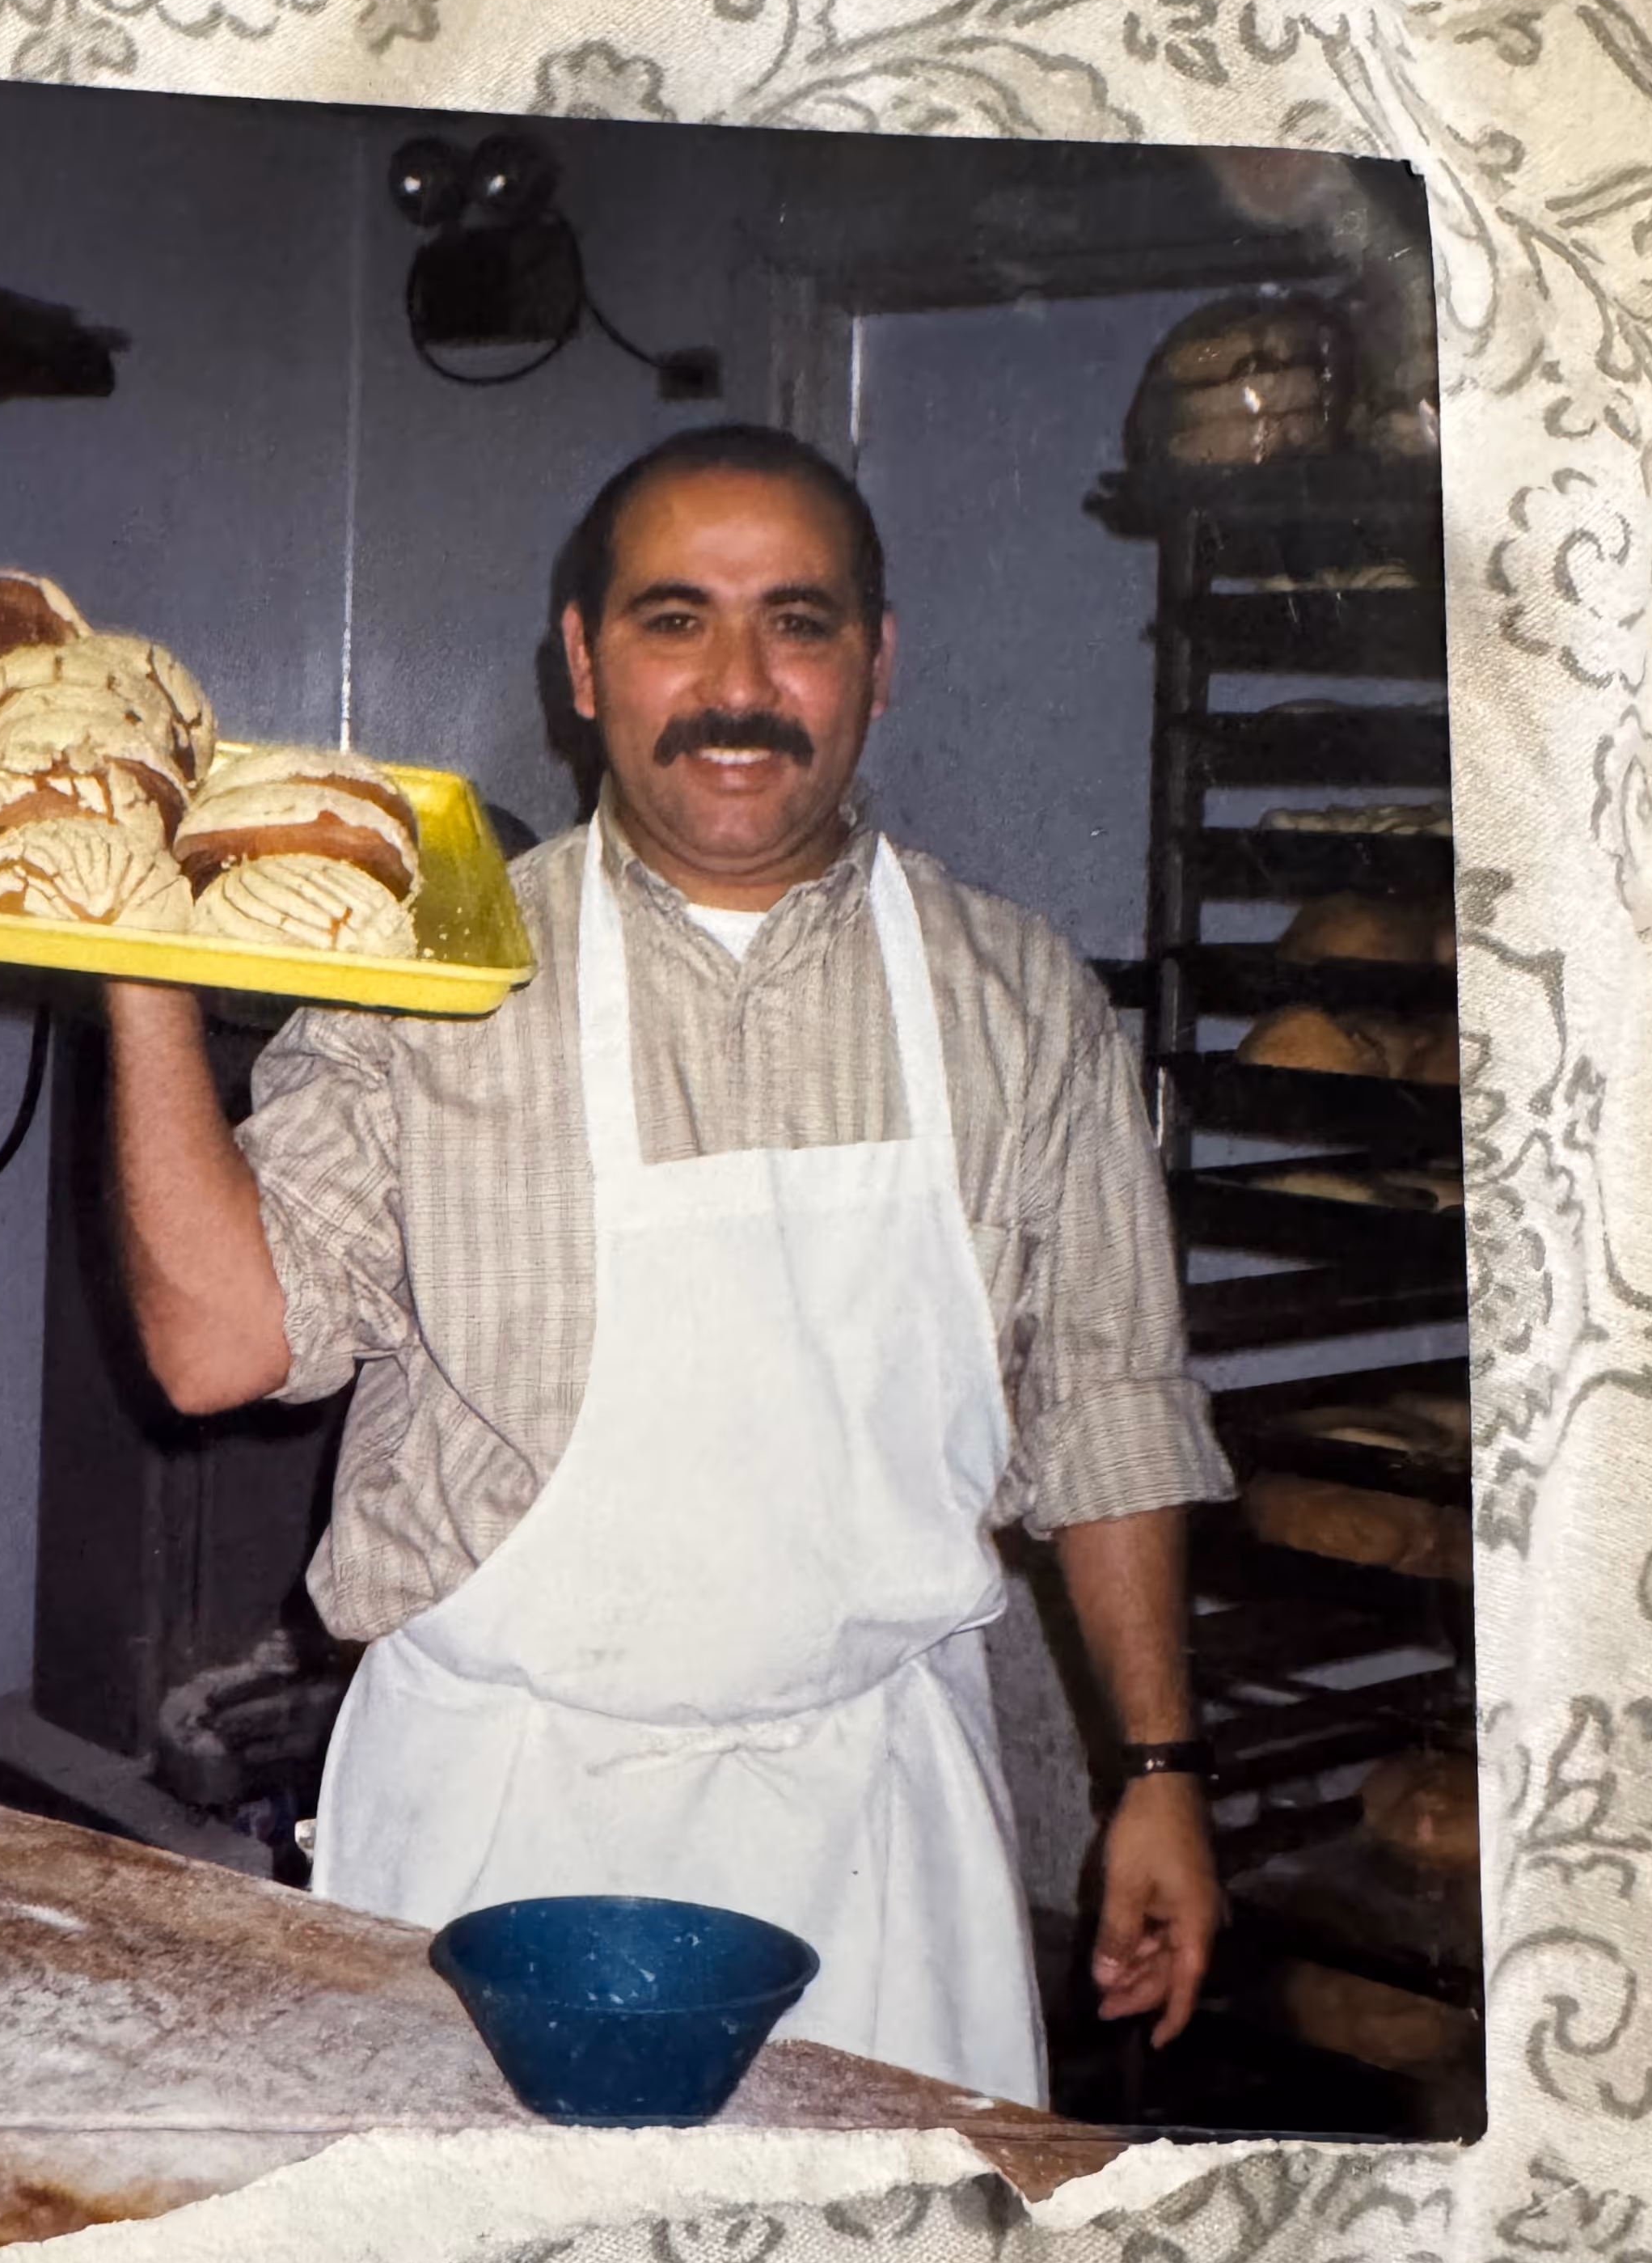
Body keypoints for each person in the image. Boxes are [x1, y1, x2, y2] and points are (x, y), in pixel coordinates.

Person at [104, 424, 1231, 2107]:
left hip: (877, 1837)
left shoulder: (1020, 1000)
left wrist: (1157, 1765)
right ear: (581, 663)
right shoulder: (428, 975)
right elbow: (216, 1352)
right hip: (500, 1824)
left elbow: (1109, 1405)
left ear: (879, 660)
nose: (738, 683)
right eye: (673, 619)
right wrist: (133, 970)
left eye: (798, 619)